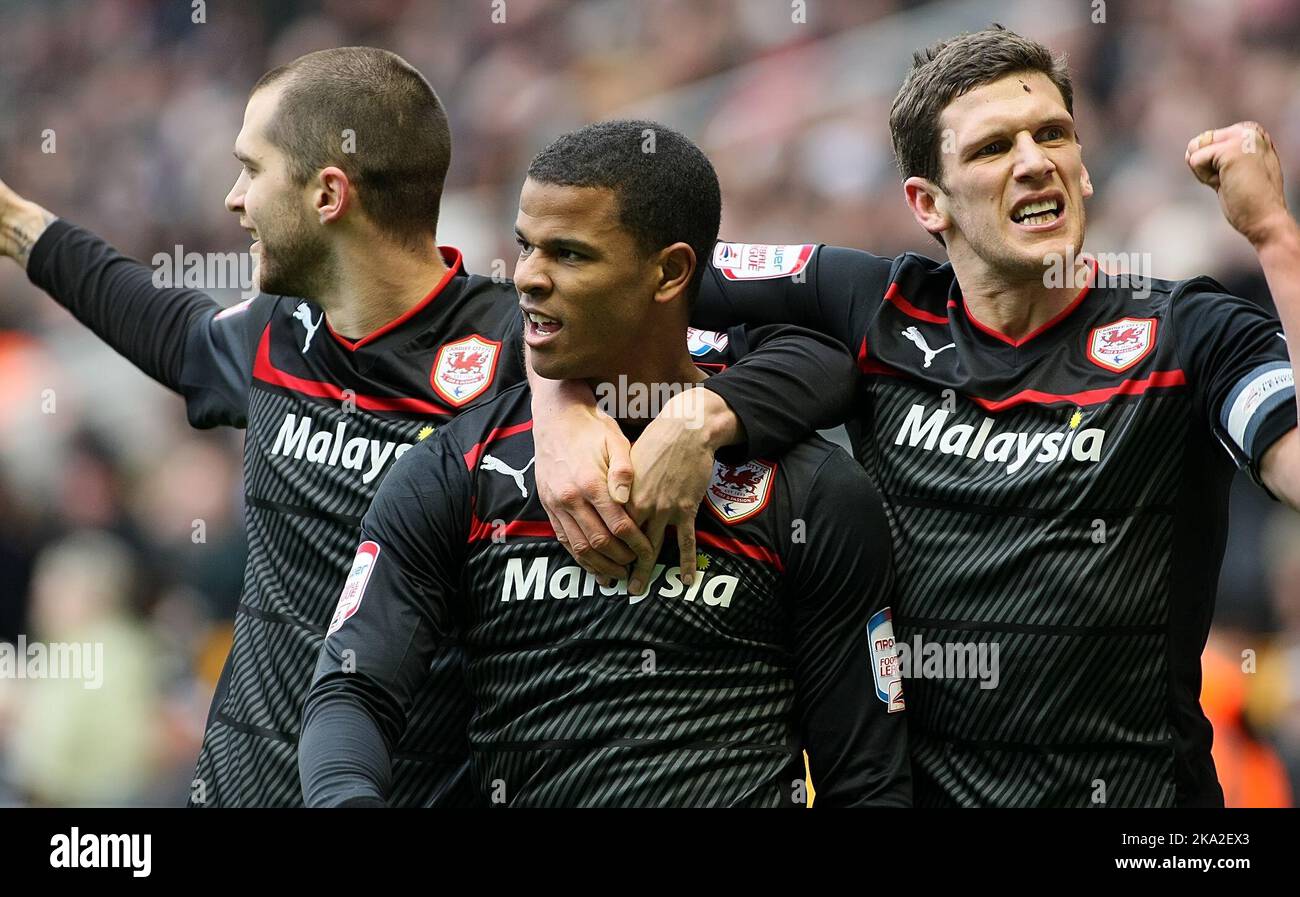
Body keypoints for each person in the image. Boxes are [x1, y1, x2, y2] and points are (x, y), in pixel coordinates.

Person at [0, 47, 853, 806]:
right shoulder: (272, 336)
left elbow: (820, 358)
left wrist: (694, 417)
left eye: (248, 168)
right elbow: (149, 316)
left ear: (329, 193)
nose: (230, 198)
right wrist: (13, 223)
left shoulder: (543, 334)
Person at [530, 27, 1300, 807]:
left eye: (1054, 135)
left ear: (1084, 167)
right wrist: (559, 409)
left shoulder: (1190, 331)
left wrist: (1274, 235)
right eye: (994, 148)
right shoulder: (875, 305)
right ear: (927, 203)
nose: (1035, 160)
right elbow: (589, 279)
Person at [299, 121, 909, 807]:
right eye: (526, 245)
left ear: (671, 272)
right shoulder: (454, 472)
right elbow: (351, 692)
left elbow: (867, 781)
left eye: (569, 253)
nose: (527, 277)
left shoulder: (811, 492)